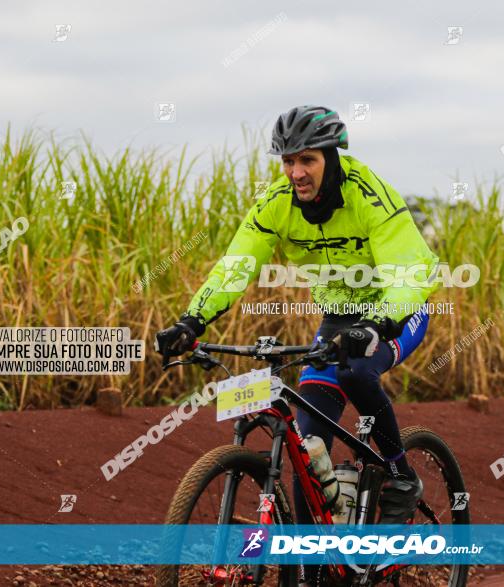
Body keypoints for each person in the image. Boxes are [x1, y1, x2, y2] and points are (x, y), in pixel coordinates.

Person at [155, 105, 439, 536]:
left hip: (396, 313)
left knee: (358, 369)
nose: (296, 172)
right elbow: (237, 264)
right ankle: (310, 572)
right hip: (338, 320)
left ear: (332, 156)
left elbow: (410, 273)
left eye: (307, 160)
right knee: (308, 450)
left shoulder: (369, 195)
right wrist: (192, 321)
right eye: (288, 161)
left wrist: (379, 324)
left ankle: (401, 474)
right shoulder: (276, 204)